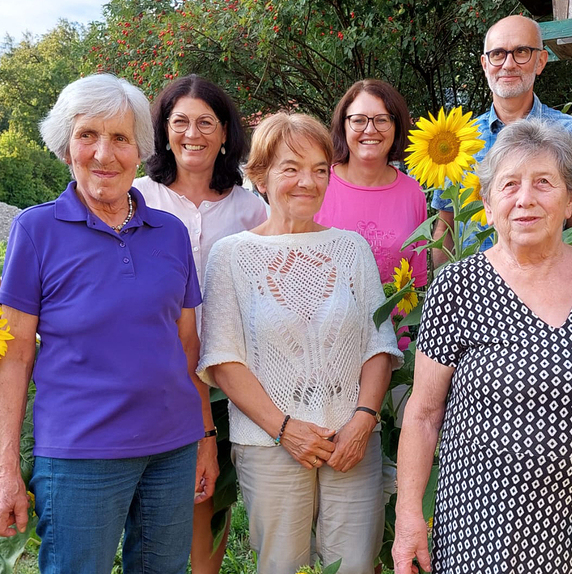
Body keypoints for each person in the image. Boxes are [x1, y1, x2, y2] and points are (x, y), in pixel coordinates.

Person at [0, 73, 216, 574]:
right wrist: (6, 465)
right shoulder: (36, 231)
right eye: (88, 136)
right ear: (65, 147)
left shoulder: (171, 233)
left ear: (140, 148)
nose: (104, 154)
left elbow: (188, 347)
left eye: (120, 138)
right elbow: (14, 356)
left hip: (172, 452)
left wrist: (204, 437)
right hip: (79, 457)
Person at [392, 119, 572, 574]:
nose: (525, 198)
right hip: (477, 534)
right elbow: (424, 414)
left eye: (544, 183)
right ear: (486, 205)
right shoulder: (457, 288)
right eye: (509, 185)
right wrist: (408, 516)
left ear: (569, 201)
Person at [198, 112, 402, 574]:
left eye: (319, 169)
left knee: (354, 565)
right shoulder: (231, 255)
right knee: (280, 566)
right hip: (271, 442)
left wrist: (364, 420)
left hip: (353, 441)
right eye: (290, 168)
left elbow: (378, 344)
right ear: (261, 175)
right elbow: (223, 359)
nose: (307, 181)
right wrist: (285, 428)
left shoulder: (352, 248)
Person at [133, 74, 266, 574]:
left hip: (228, 372)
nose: (193, 134)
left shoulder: (250, 207)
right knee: (160, 497)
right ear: (164, 131)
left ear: (226, 133)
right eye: (180, 122)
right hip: (157, 371)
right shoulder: (137, 196)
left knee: (211, 495)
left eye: (206, 122)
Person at [432, 15, 572, 266]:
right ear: (485, 64)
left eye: (521, 51)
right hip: (472, 293)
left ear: (541, 61)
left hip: (546, 288)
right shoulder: (457, 139)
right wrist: (446, 289)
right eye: (498, 54)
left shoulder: (569, 131)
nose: (508, 64)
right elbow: (446, 224)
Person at [315, 79, 427, 289]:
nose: (370, 130)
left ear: (397, 126)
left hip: (393, 322)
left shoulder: (413, 193)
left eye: (382, 120)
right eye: (358, 120)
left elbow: (415, 282)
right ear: (343, 125)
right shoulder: (318, 185)